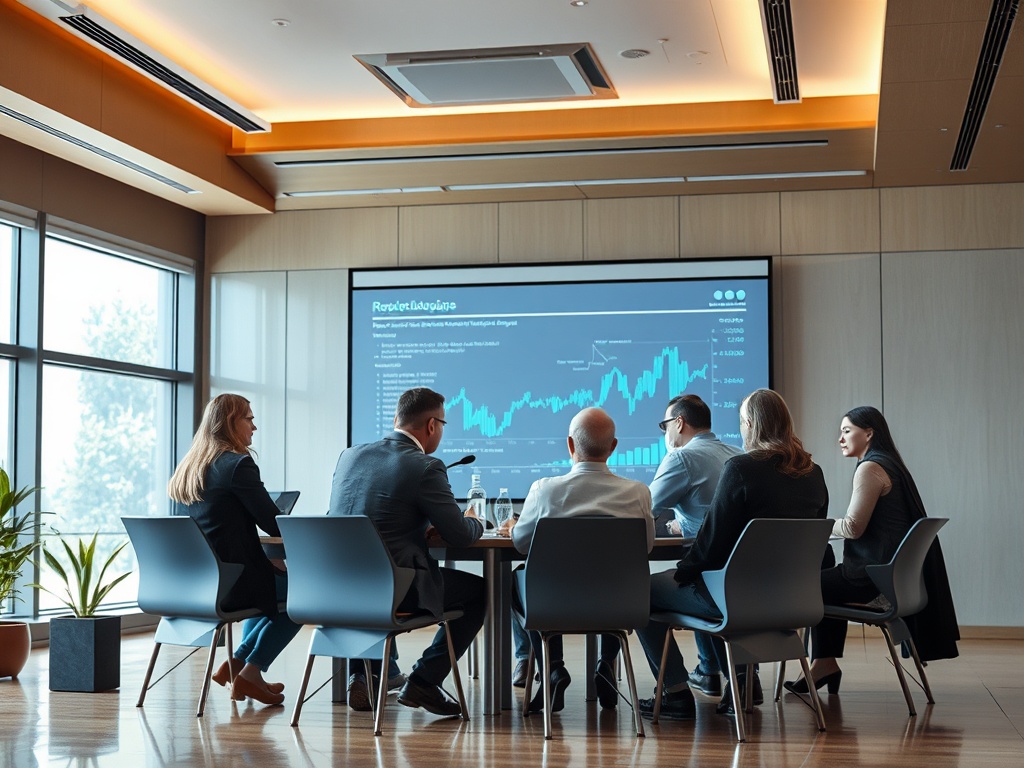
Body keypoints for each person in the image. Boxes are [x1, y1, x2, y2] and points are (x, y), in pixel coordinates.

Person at [635, 389, 829, 720]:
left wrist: (683, 572)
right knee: (705, 581)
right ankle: (740, 676)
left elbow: (711, 545)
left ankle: (675, 692)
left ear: (750, 423)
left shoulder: (741, 467)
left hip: (736, 599)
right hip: (791, 599)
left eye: (741, 421)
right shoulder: (814, 473)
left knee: (640, 591)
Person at [328, 387, 486, 718]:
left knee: (371, 574)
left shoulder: (350, 455)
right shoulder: (425, 466)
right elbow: (459, 535)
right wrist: (475, 521)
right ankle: (423, 681)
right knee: (480, 592)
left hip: (336, 589)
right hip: (393, 591)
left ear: (397, 419)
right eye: (443, 424)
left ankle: (366, 673)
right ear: (432, 425)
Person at [785, 406, 959, 694]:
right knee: (823, 582)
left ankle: (815, 663)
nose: (840, 439)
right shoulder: (891, 465)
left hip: (869, 582)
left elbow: (853, 527)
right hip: (890, 581)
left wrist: (816, 526)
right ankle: (824, 664)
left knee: (802, 585)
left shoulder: (870, 468)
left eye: (846, 431)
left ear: (868, 433)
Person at [509, 407, 653, 713]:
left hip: (554, 603)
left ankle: (554, 668)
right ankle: (605, 666)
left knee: (518, 576)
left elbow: (521, 545)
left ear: (570, 445)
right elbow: (647, 547)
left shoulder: (545, 490)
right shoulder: (638, 493)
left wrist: (512, 526)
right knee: (616, 576)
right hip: (619, 603)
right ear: (613, 447)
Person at [167, 393, 301, 706]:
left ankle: (237, 665)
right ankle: (251, 671)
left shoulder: (188, 468)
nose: (254, 427)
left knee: (269, 581)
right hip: (228, 584)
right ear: (231, 423)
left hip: (191, 583)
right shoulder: (237, 465)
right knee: (307, 594)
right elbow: (272, 522)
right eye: (249, 419)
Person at [649, 393, 742, 698]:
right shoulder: (737, 454)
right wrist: (686, 523)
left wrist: (682, 524)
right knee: (696, 573)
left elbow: (643, 508)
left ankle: (674, 690)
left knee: (644, 591)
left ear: (679, 422)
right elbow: (715, 515)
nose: (665, 434)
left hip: (711, 582)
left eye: (665, 426)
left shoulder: (682, 457)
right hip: (746, 582)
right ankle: (712, 671)